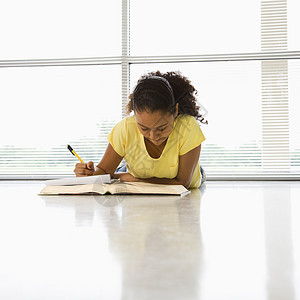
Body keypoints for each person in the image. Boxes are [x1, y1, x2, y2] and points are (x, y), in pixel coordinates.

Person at [74, 71, 207, 188]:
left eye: (162, 128)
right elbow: (103, 170)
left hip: (191, 176)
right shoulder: (125, 128)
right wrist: (88, 173)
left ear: (175, 111)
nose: (153, 136)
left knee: (126, 173)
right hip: (137, 170)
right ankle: (126, 170)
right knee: (125, 171)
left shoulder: (188, 126)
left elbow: (183, 183)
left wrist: (131, 179)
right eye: (144, 128)